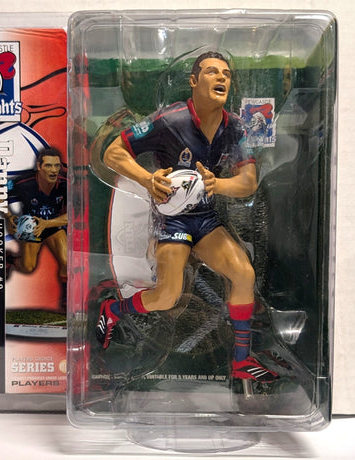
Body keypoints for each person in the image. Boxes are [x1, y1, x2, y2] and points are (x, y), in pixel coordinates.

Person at [95, 51, 278, 383]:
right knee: (167, 296)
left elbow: (249, 182)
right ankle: (113, 310)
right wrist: (147, 179)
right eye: (212, 72)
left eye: (226, 74)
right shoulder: (170, 120)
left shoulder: (235, 127)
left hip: (205, 219)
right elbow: (112, 153)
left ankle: (241, 361)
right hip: (173, 221)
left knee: (243, 274)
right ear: (193, 81)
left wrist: (218, 184)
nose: (221, 78)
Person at [5, 147, 68, 294]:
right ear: (39, 166)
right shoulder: (23, 182)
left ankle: (66, 297)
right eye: (48, 165)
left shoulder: (66, 183)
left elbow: (74, 215)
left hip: (53, 225)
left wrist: (47, 223)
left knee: (67, 261)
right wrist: (9, 216)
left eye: (57, 166)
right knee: (28, 268)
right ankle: (10, 260)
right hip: (30, 226)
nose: (54, 170)